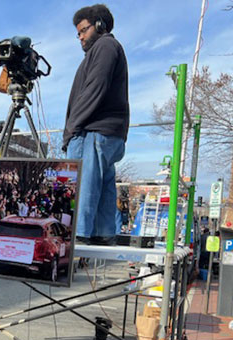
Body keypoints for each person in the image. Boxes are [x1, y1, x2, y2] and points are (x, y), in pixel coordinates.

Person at [62, 4, 129, 245]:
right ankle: (102, 234)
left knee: (84, 188)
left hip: (94, 131)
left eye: (83, 30)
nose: (79, 37)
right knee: (102, 188)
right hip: (106, 132)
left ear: (99, 25)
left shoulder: (105, 46)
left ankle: (80, 237)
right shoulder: (108, 48)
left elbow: (94, 89)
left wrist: (70, 130)